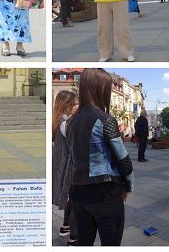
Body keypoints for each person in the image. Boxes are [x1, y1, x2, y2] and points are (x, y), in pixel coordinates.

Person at [66, 68, 134, 246]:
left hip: (78, 192)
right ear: (100, 89)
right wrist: (128, 185)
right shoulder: (104, 119)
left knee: (84, 242)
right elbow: (123, 160)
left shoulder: (70, 122)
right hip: (105, 192)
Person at [52, 90, 79, 246]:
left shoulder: (60, 120)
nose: (76, 106)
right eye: (74, 103)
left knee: (72, 198)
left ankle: (65, 226)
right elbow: (76, 146)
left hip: (63, 165)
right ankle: (73, 239)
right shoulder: (65, 123)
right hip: (69, 167)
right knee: (76, 200)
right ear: (66, 105)